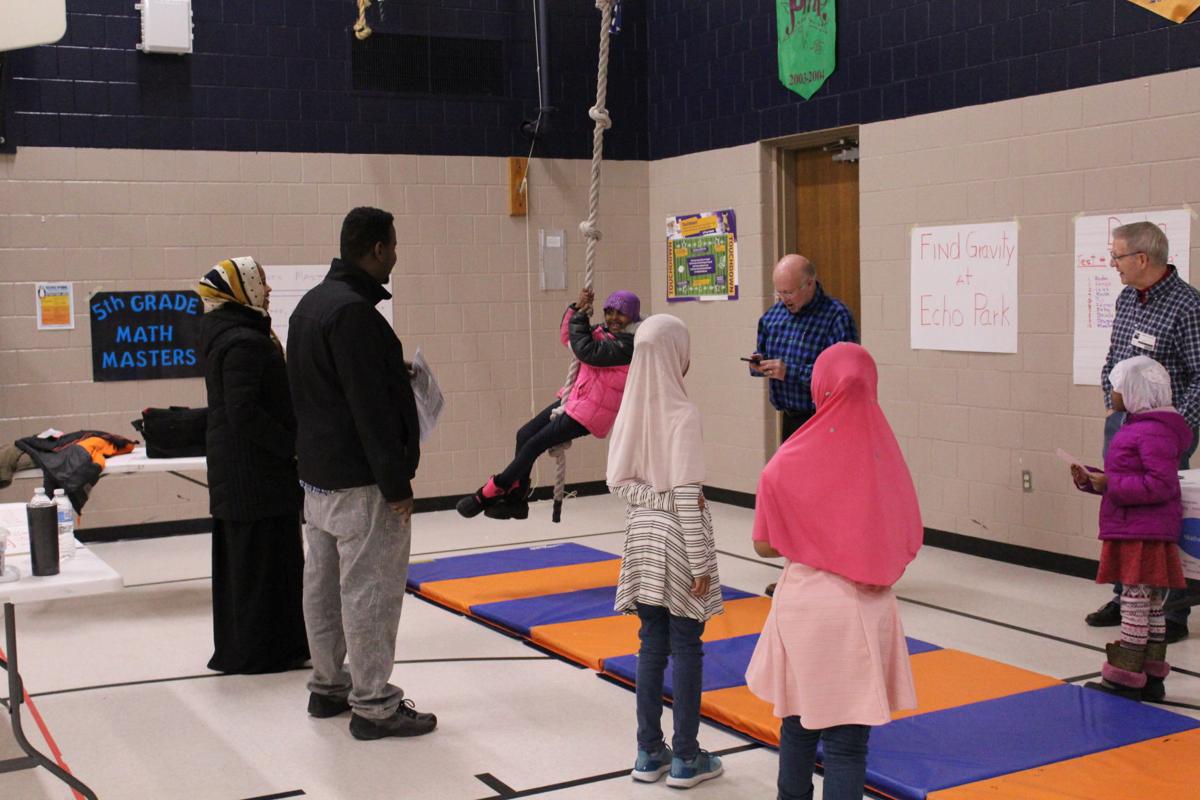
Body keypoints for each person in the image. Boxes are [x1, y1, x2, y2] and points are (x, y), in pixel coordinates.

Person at [746, 343, 921, 800]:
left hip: (805, 604)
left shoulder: (787, 460)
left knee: (798, 727)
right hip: (865, 610)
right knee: (847, 747)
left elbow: (763, 544)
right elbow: (907, 539)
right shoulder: (888, 458)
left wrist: (810, 540)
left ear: (819, 386)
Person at [287, 207, 435, 740]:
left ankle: (328, 687)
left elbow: (322, 389)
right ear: (375, 249)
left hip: (318, 479)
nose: (395, 254)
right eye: (392, 245)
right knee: (369, 591)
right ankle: (373, 704)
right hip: (360, 484)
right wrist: (397, 486)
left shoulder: (310, 306)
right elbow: (368, 410)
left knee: (322, 588)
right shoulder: (355, 315)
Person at [607, 314, 724, 790]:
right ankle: (687, 758)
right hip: (678, 540)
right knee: (686, 647)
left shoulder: (632, 408)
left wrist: (650, 498)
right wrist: (700, 562)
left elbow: (618, 482)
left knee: (650, 646)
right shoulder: (683, 413)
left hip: (641, 539)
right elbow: (685, 496)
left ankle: (648, 750)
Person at [1086, 221, 1200, 643]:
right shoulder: (1126, 298)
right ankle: (1125, 595)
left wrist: (1176, 427)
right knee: (1121, 506)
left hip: (1163, 431)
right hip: (1122, 423)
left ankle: (1170, 610)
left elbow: (1199, 374)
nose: (1112, 264)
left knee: (1161, 515)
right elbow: (1114, 357)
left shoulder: (1188, 306)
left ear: (1142, 258)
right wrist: (1110, 398)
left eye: (1116, 256)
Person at [197, 257, 308, 674]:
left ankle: (255, 646)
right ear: (240, 288)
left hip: (243, 472)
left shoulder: (227, 332)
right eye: (260, 281)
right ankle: (265, 650)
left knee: (249, 565)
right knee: (263, 566)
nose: (268, 288)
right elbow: (244, 411)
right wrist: (291, 447)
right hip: (254, 475)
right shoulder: (244, 341)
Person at [456, 287, 641, 520]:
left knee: (534, 445)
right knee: (524, 435)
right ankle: (517, 499)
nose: (614, 318)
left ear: (632, 316)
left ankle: (490, 492)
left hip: (591, 412)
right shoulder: (605, 333)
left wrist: (582, 318)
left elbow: (588, 351)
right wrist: (576, 309)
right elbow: (569, 338)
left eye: (621, 314)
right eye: (609, 312)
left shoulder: (629, 345)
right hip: (576, 399)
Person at [1072, 356, 1189, 701]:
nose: (1112, 392)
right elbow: (1130, 477)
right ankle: (1150, 672)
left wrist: (1110, 484)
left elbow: (1159, 485)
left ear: (1136, 391)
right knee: (1149, 602)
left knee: (1135, 601)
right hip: (1138, 526)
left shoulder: (1150, 432)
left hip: (1141, 530)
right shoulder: (1141, 427)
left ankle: (1126, 674)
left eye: (1117, 386)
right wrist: (1094, 480)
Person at [750, 254, 858, 443]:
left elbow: (843, 378)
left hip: (825, 420)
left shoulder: (836, 317)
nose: (783, 299)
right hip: (788, 418)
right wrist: (758, 365)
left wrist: (788, 372)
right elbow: (764, 355)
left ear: (810, 284)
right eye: (779, 293)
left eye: (789, 292)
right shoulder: (772, 318)